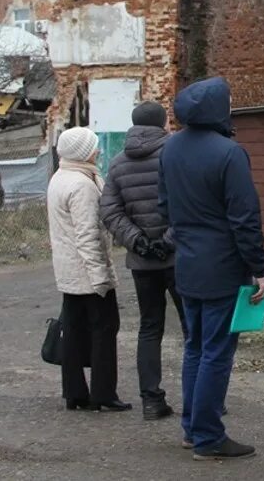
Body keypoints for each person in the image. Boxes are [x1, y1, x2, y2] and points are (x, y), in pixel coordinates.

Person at [158, 77, 264, 461]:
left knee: (195, 347)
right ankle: (207, 436)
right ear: (218, 108)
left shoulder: (170, 148)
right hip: (222, 266)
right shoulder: (229, 153)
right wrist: (259, 267)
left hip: (187, 263)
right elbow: (245, 216)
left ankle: (192, 428)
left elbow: (164, 207)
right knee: (216, 353)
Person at [100, 101, 186, 421]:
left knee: (150, 329)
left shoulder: (119, 163)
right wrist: (168, 242)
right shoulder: (175, 155)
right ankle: (200, 399)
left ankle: (151, 400)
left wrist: (138, 242)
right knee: (193, 328)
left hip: (142, 262)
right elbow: (187, 202)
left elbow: (110, 211)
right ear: (163, 123)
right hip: (178, 258)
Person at [47, 126, 131, 413]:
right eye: (94, 147)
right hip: (86, 271)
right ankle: (103, 392)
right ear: (84, 153)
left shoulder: (60, 177)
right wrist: (100, 276)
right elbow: (88, 234)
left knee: (72, 330)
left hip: (68, 270)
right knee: (104, 329)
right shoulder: (82, 184)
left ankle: (74, 392)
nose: (99, 151)